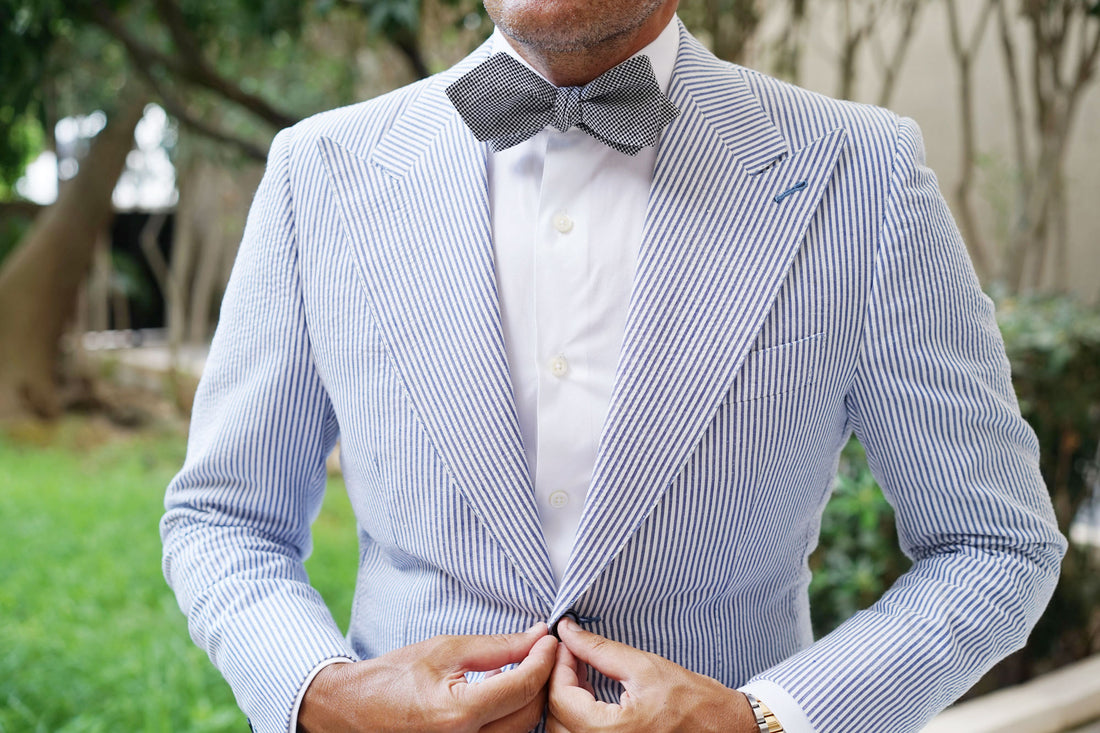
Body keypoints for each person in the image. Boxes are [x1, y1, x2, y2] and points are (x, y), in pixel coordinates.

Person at [161, 1, 1067, 732]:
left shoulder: (862, 175)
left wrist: (766, 719)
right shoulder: (320, 172)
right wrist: (321, 694)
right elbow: (224, 517)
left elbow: (993, 544)